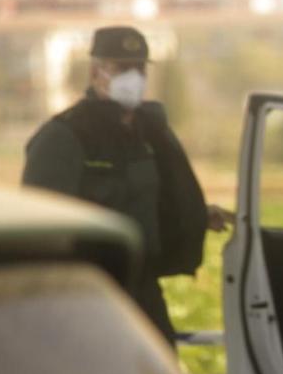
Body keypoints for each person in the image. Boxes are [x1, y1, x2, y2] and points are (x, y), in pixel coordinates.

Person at [21, 25, 227, 342]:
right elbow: (39, 223)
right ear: (95, 72)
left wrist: (197, 215)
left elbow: (157, 196)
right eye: (120, 68)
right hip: (90, 292)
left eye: (139, 68)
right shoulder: (65, 136)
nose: (133, 77)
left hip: (144, 286)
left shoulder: (150, 132)